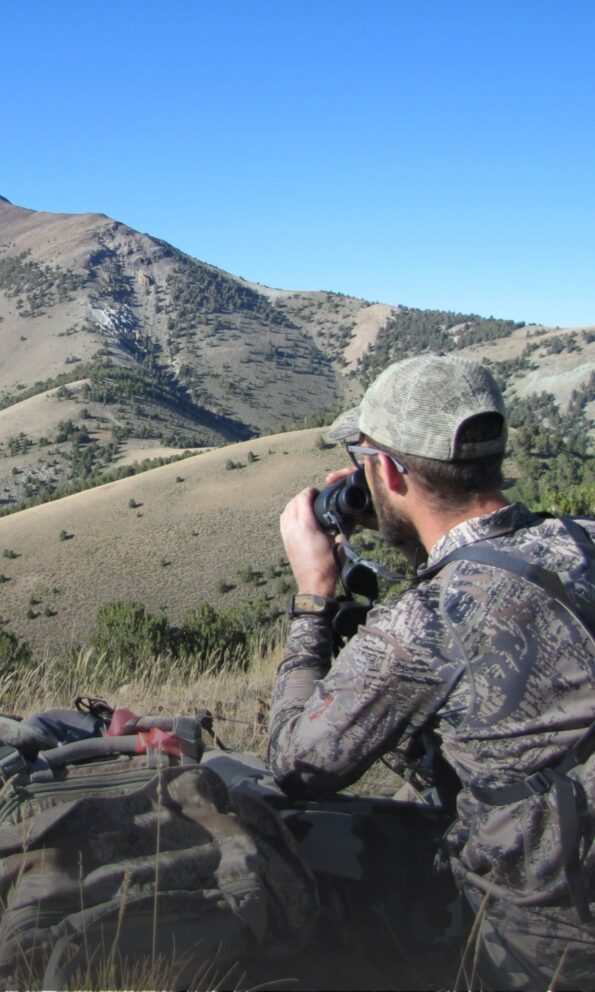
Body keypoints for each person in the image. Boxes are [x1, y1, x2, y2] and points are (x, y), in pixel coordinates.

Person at [267, 354, 595, 991]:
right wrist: (405, 523)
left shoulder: (426, 621)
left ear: (385, 469)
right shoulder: (581, 538)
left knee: (289, 844)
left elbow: (295, 763)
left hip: (542, 950)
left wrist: (313, 595)